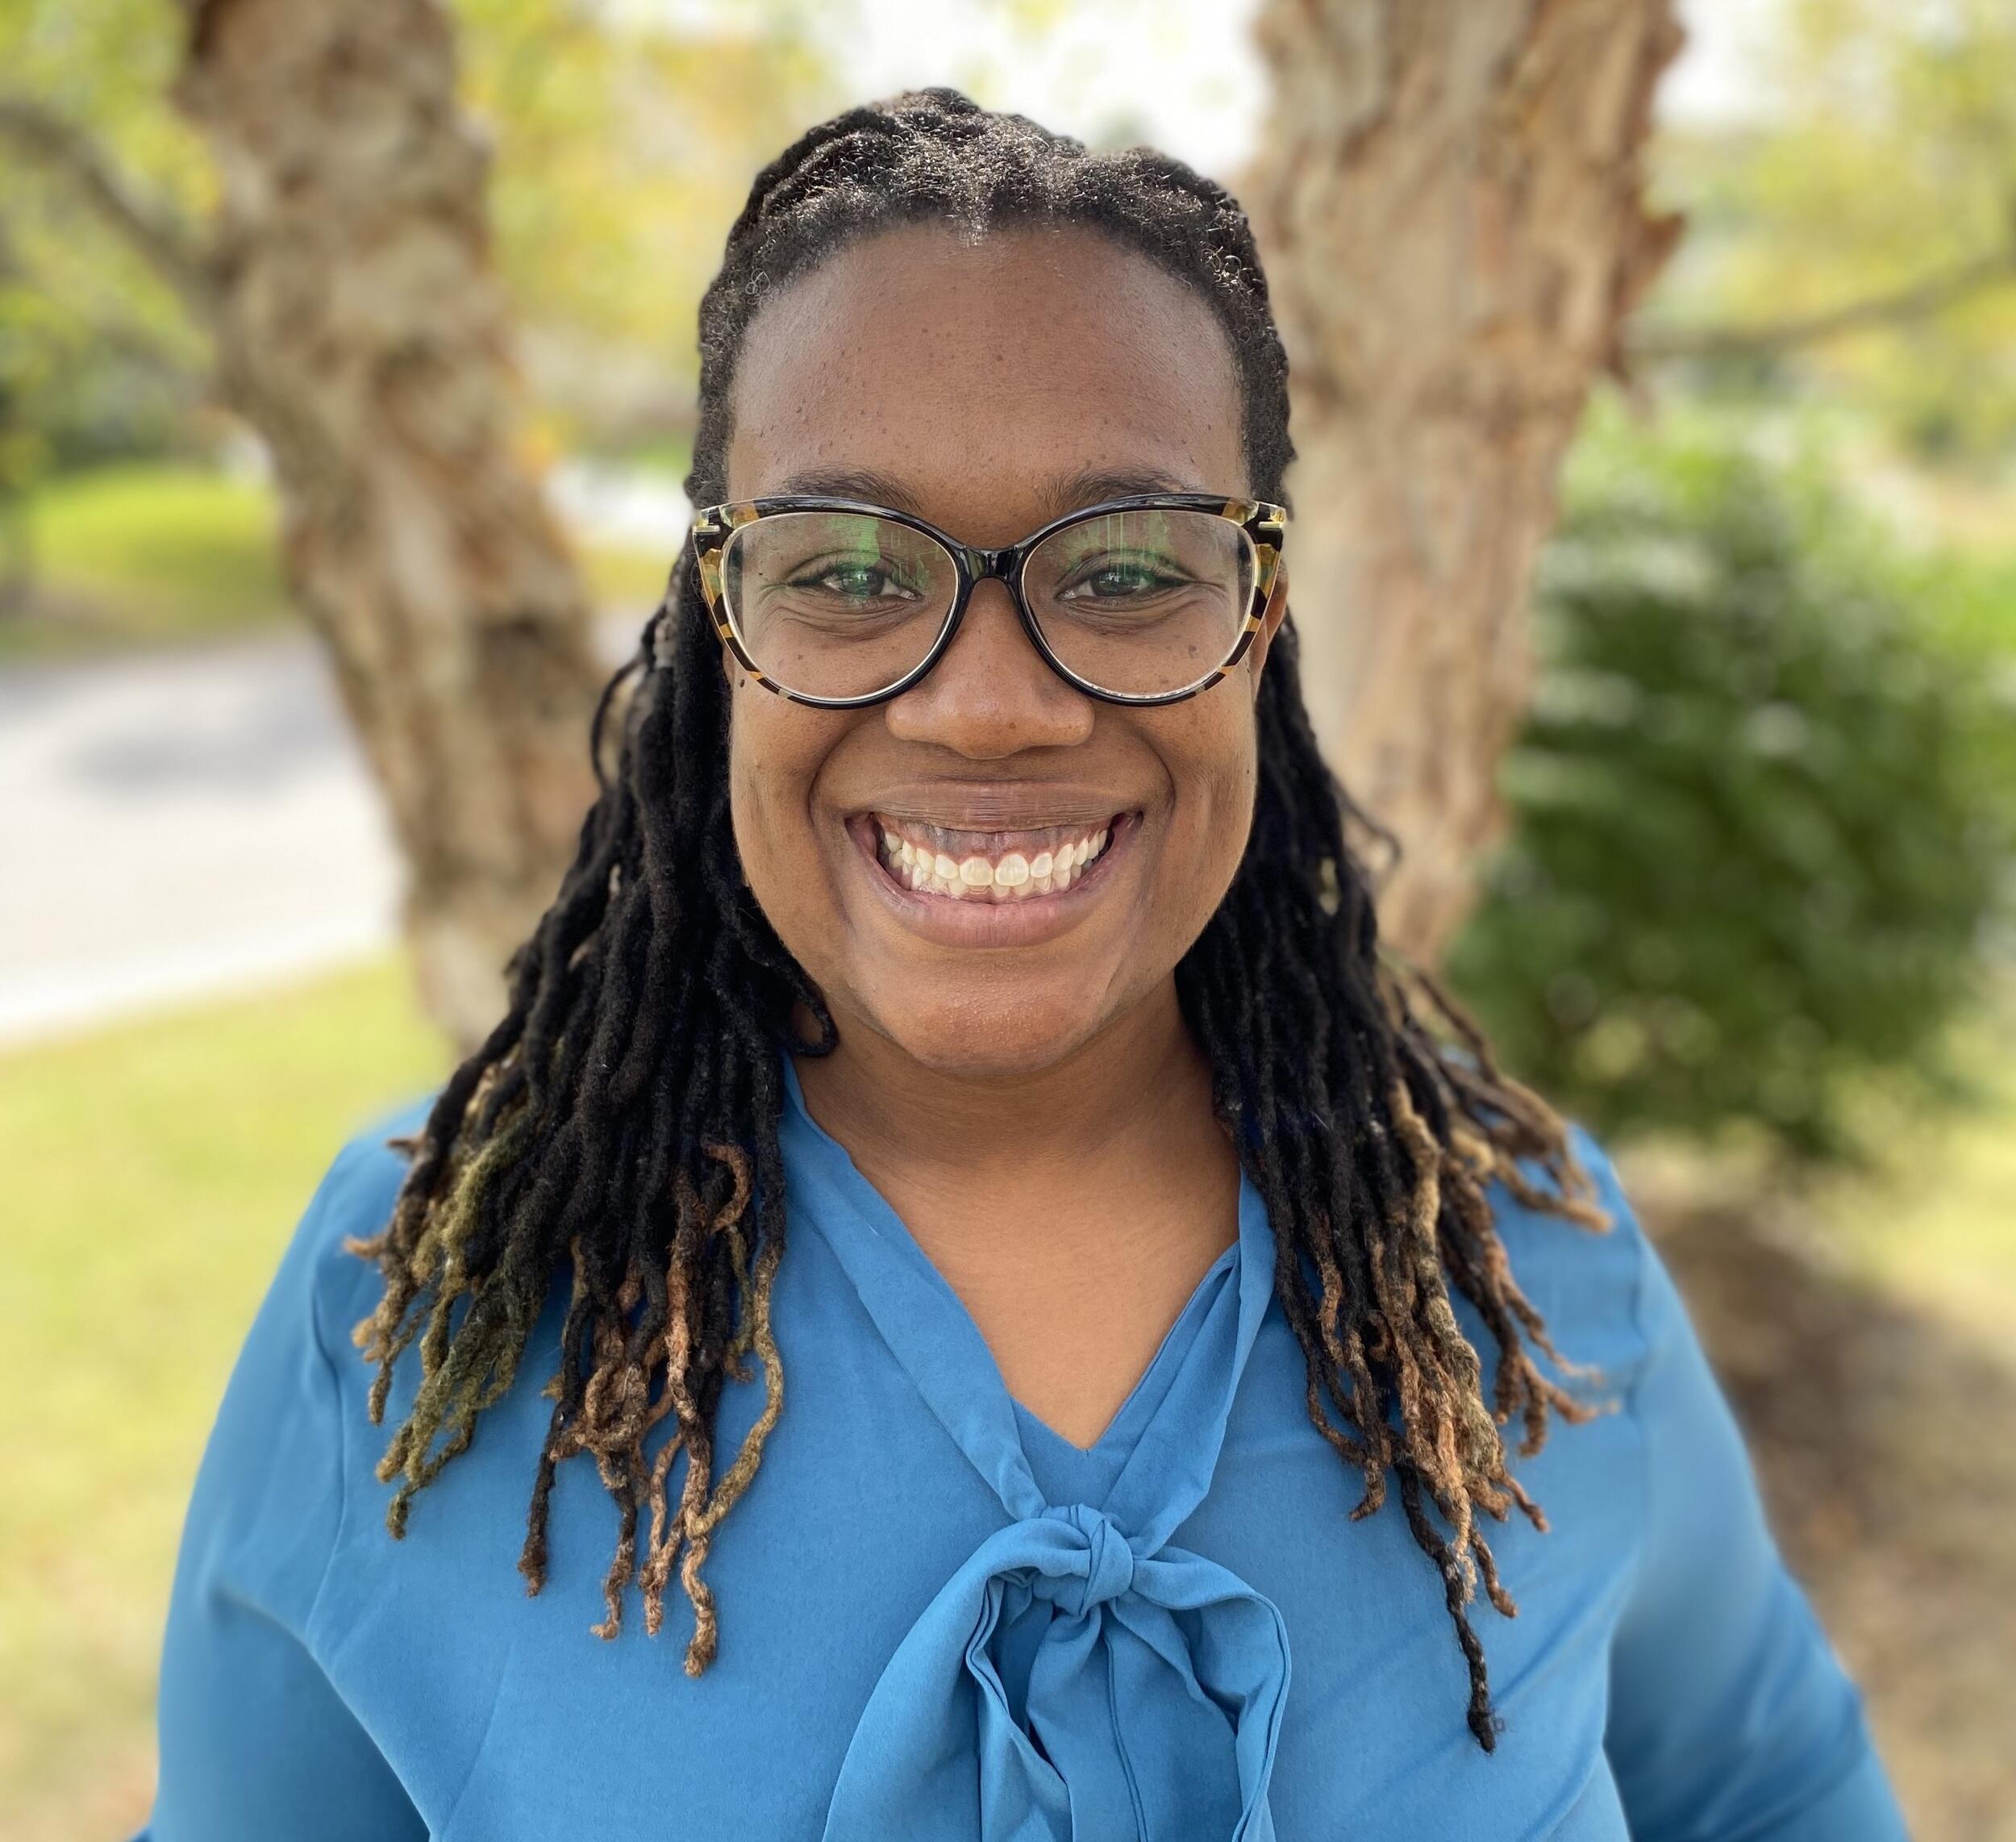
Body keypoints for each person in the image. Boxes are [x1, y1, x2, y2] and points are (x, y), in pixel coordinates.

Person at [138, 88, 1907, 1841]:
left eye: (1130, 565)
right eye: (844, 567)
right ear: (717, 620)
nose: (987, 702)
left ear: (1254, 618)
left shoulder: (1531, 1275)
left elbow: (1766, 1791)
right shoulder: (414, 1311)